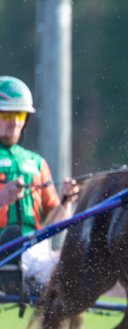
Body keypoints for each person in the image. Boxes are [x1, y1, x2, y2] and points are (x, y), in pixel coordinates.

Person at [0, 76, 79, 291]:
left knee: (73, 273)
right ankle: (14, 274)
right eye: (7, 114)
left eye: (20, 114)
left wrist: (67, 201)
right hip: (3, 247)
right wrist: (2, 199)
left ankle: (21, 279)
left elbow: (52, 219)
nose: (15, 122)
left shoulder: (36, 163)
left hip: (35, 250)